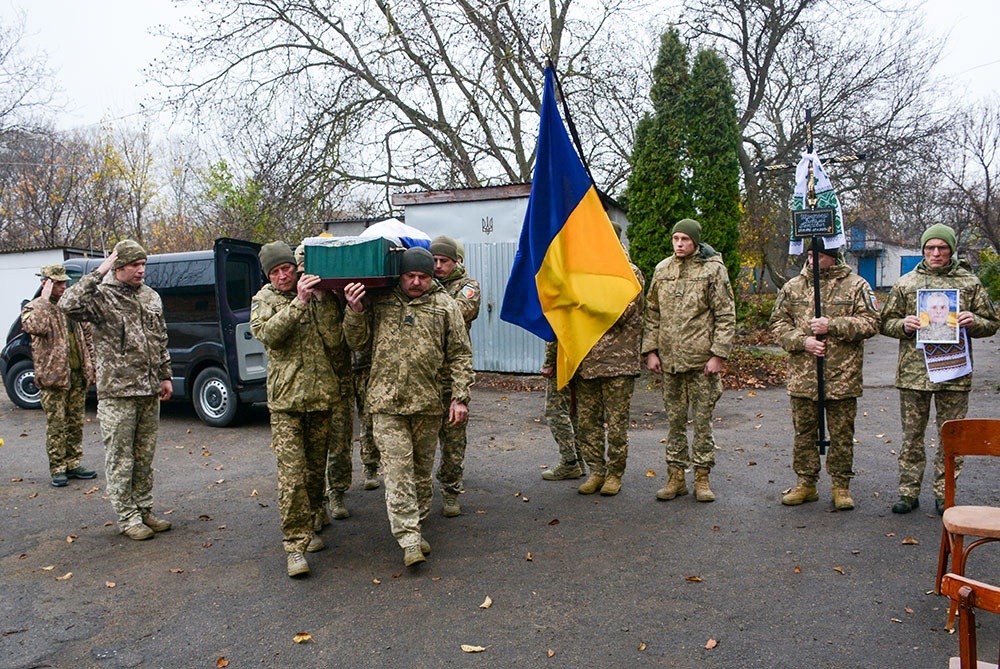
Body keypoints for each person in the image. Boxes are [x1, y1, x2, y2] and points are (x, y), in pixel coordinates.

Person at [343, 247, 474, 567]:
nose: (416, 282)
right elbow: (355, 342)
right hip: (386, 404)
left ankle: (416, 524)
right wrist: (355, 311)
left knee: (419, 475)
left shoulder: (444, 306)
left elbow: (460, 354)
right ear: (399, 275)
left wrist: (460, 397)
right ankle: (409, 538)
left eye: (424, 277)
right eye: (410, 276)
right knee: (398, 472)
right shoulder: (380, 300)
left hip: (428, 404)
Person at [880, 223, 999, 515]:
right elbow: (884, 322)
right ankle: (908, 493)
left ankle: (944, 494)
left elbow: (992, 323)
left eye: (942, 248)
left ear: (950, 250)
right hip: (914, 374)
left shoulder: (968, 282)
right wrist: (904, 326)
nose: (936, 253)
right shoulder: (906, 283)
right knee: (911, 438)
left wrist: (975, 321)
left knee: (952, 437)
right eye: (930, 248)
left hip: (954, 372)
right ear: (923, 250)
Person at [59, 240, 173, 541]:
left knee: (143, 458)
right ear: (118, 266)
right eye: (135, 265)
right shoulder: (101, 297)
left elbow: (160, 339)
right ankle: (127, 516)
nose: (141, 270)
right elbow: (67, 304)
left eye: (143, 264)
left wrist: (165, 375)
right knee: (121, 458)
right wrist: (98, 272)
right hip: (118, 393)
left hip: (148, 390)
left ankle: (144, 508)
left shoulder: (150, 297)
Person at [251, 241, 345, 577]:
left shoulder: (318, 294)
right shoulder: (264, 300)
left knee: (314, 472)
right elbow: (269, 335)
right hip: (286, 404)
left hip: (320, 399)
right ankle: (294, 547)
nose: (281, 276)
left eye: (285, 269)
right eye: (274, 272)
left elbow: (336, 342)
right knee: (292, 479)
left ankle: (312, 522)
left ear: (295, 267)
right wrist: (299, 304)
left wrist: (322, 300)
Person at [769, 248, 880, 510]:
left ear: (833, 256)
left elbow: (872, 322)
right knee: (804, 432)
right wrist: (802, 341)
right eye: (809, 255)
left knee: (841, 433)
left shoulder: (856, 285)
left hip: (842, 376)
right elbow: (777, 324)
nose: (811, 261)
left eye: (818, 255)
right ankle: (806, 483)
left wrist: (834, 325)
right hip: (804, 376)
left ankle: (841, 485)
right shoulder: (793, 287)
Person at [642, 219, 735, 503]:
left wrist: (718, 355)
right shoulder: (662, 269)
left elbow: (726, 314)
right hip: (670, 362)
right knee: (674, 422)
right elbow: (652, 313)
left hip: (701, 363)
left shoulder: (713, 270)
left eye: (684, 239)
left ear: (695, 241)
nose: (679, 244)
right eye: (675, 238)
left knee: (703, 422)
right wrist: (651, 351)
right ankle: (676, 477)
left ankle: (702, 478)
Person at [574, 245, 644, 497]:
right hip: (587, 362)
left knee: (616, 424)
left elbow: (620, 312)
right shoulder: (584, 275)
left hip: (618, 363)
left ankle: (615, 473)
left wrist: (581, 304)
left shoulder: (629, 274)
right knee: (587, 422)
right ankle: (596, 471)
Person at [21, 264, 98, 488]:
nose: (63, 286)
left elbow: (87, 337)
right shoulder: (33, 307)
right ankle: (58, 468)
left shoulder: (70, 306)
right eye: (58, 283)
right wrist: (45, 301)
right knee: (57, 425)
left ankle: (74, 463)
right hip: (53, 377)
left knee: (75, 422)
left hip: (76, 374)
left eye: (64, 282)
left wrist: (91, 367)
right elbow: (36, 327)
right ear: (46, 283)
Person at [428, 235, 481, 517]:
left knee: (453, 439)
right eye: (434, 260)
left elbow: (458, 313)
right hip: (425, 376)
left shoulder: (467, 287)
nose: (438, 266)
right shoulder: (422, 284)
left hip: (453, 375)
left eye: (444, 261)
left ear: (455, 262)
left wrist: (432, 292)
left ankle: (450, 490)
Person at [539, 341, 584, 480]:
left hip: (562, 360)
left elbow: (557, 331)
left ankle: (570, 462)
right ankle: (578, 461)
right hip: (579, 357)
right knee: (572, 410)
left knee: (555, 411)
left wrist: (549, 362)